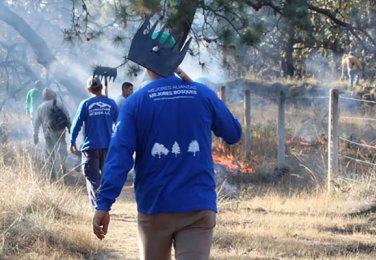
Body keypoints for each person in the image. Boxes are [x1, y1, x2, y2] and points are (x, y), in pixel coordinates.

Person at [92, 27, 242, 260]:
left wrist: (104, 204)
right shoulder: (202, 94)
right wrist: (201, 92)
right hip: (198, 206)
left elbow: (119, 157)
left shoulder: (135, 103)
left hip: (156, 206)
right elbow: (233, 133)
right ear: (175, 62)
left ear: (147, 66)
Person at [69, 76, 119, 209]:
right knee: (105, 177)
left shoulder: (85, 104)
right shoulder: (111, 103)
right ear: (101, 87)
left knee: (92, 178)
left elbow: (76, 124)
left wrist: (72, 141)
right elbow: (120, 123)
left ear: (89, 89)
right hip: (108, 147)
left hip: (90, 147)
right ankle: (104, 205)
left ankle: (97, 206)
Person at [33, 88, 71, 178]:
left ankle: (52, 174)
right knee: (62, 148)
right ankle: (63, 168)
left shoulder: (40, 107)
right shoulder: (59, 104)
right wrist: (70, 128)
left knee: (50, 151)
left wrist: (35, 135)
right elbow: (67, 116)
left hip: (48, 132)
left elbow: (36, 123)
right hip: (60, 131)